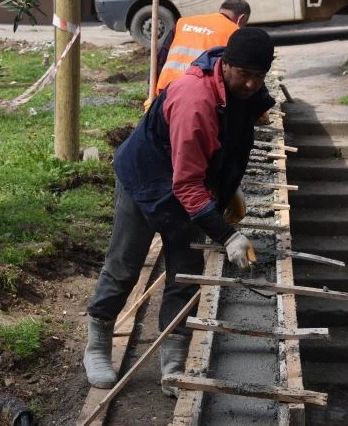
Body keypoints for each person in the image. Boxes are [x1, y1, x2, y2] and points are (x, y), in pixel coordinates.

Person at [84, 27, 276, 396]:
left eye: (259, 76)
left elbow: (230, 143)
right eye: (245, 75)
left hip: (189, 180)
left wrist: (227, 184)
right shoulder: (195, 101)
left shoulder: (243, 92)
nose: (252, 84)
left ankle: (172, 357)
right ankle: (97, 342)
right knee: (125, 265)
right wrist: (227, 234)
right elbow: (185, 184)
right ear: (226, 65)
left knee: (185, 273)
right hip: (146, 181)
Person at [150, 0, 251, 105]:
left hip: (166, 90)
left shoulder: (183, 22)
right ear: (241, 18)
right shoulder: (234, 31)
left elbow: (161, 58)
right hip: (198, 94)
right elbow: (239, 76)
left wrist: (153, 96)